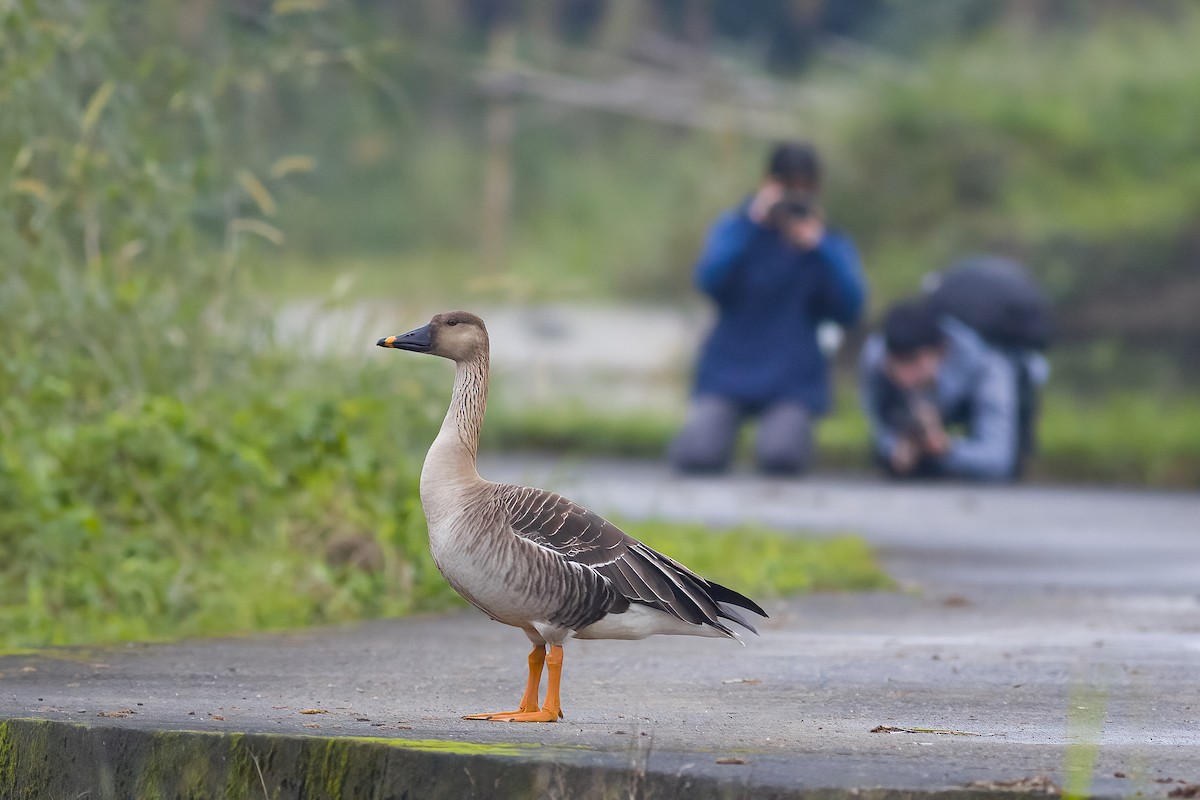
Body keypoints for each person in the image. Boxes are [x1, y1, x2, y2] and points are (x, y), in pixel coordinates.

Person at [670, 142, 867, 475]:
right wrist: (754, 222)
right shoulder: (736, 228)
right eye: (788, 187)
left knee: (782, 457)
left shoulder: (828, 242)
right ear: (768, 183)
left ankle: (788, 437)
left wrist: (819, 249)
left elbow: (851, 308)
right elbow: (708, 280)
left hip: (791, 380)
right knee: (697, 456)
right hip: (728, 372)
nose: (796, 196)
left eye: (804, 189)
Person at [859, 287, 1048, 481]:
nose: (905, 378)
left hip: (1014, 363)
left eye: (913, 364)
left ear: (942, 351)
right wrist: (897, 447)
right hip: (946, 389)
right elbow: (879, 428)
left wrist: (947, 449)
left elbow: (998, 459)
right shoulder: (876, 356)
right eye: (896, 367)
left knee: (1008, 470)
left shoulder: (988, 366)